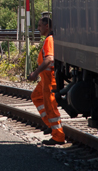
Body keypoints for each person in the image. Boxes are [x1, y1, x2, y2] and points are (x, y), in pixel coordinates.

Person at [27, 17, 65, 145]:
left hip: (49, 79)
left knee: (51, 107)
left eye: (39, 26)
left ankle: (58, 136)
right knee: (36, 96)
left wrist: (35, 73)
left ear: (47, 26)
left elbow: (49, 59)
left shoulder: (49, 40)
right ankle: (50, 124)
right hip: (45, 78)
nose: (38, 29)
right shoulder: (49, 39)